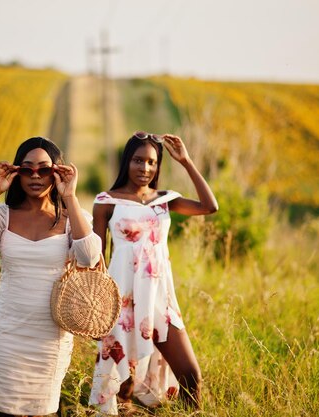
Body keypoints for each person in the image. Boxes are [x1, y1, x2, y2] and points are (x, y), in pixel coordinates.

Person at [0, 136, 102, 416]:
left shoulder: (72, 217)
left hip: (50, 335)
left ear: (57, 172)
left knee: (43, 411)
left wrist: (70, 197)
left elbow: (89, 256)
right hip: (7, 332)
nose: (35, 176)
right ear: (17, 173)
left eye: (44, 169)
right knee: (4, 411)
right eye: (27, 169)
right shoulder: (3, 215)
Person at [88, 131, 218, 414]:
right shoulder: (106, 201)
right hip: (121, 301)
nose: (144, 168)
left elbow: (210, 207)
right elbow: (97, 259)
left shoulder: (165, 200)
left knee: (191, 375)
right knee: (124, 387)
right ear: (127, 161)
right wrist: (98, 308)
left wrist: (185, 161)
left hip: (161, 301)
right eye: (138, 160)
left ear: (159, 166)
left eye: (152, 162)